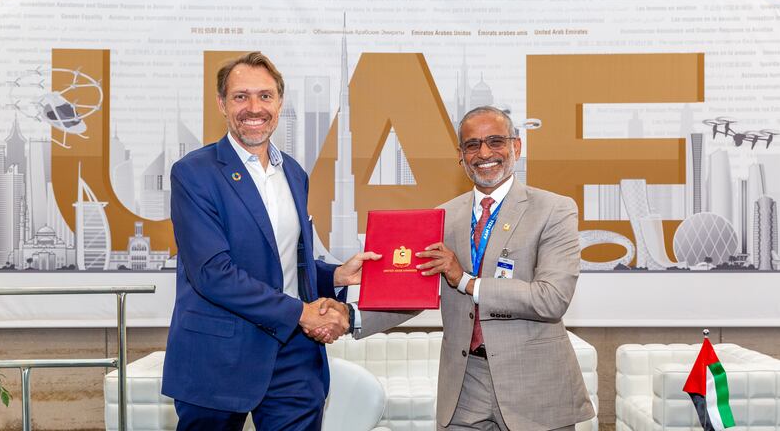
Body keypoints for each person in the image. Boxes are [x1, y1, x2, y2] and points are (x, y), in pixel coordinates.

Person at [314, 106, 595, 430]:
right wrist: (349, 317)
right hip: (464, 385)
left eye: (495, 141)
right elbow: (414, 293)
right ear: (460, 156)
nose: (484, 153)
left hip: (534, 385)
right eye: (472, 145)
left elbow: (551, 298)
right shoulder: (444, 217)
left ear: (516, 147)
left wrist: (465, 280)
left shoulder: (554, 210)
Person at [162, 51, 379, 431]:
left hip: (293, 355)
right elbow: (213, 273)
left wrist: (337, 276)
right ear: (222, 104)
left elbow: (287, 263)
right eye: (240, 96)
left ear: (279, 103)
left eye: (265, 96)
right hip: (220, 356)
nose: (253, 108)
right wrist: (301, 313)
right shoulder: (193, 173)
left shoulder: (293, 173)